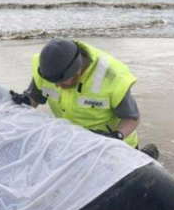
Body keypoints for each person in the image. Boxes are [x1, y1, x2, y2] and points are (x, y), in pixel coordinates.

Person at [10, 38, 158, 158]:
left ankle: (145, 156)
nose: (58, 86)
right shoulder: (48, 68)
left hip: (116, 146)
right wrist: (24, 100)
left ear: (77, 69)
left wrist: (115, 136)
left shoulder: (112, 78)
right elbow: (34, 97)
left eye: (63, 81)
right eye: (54, 83)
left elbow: (132, 118)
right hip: (74, 144)